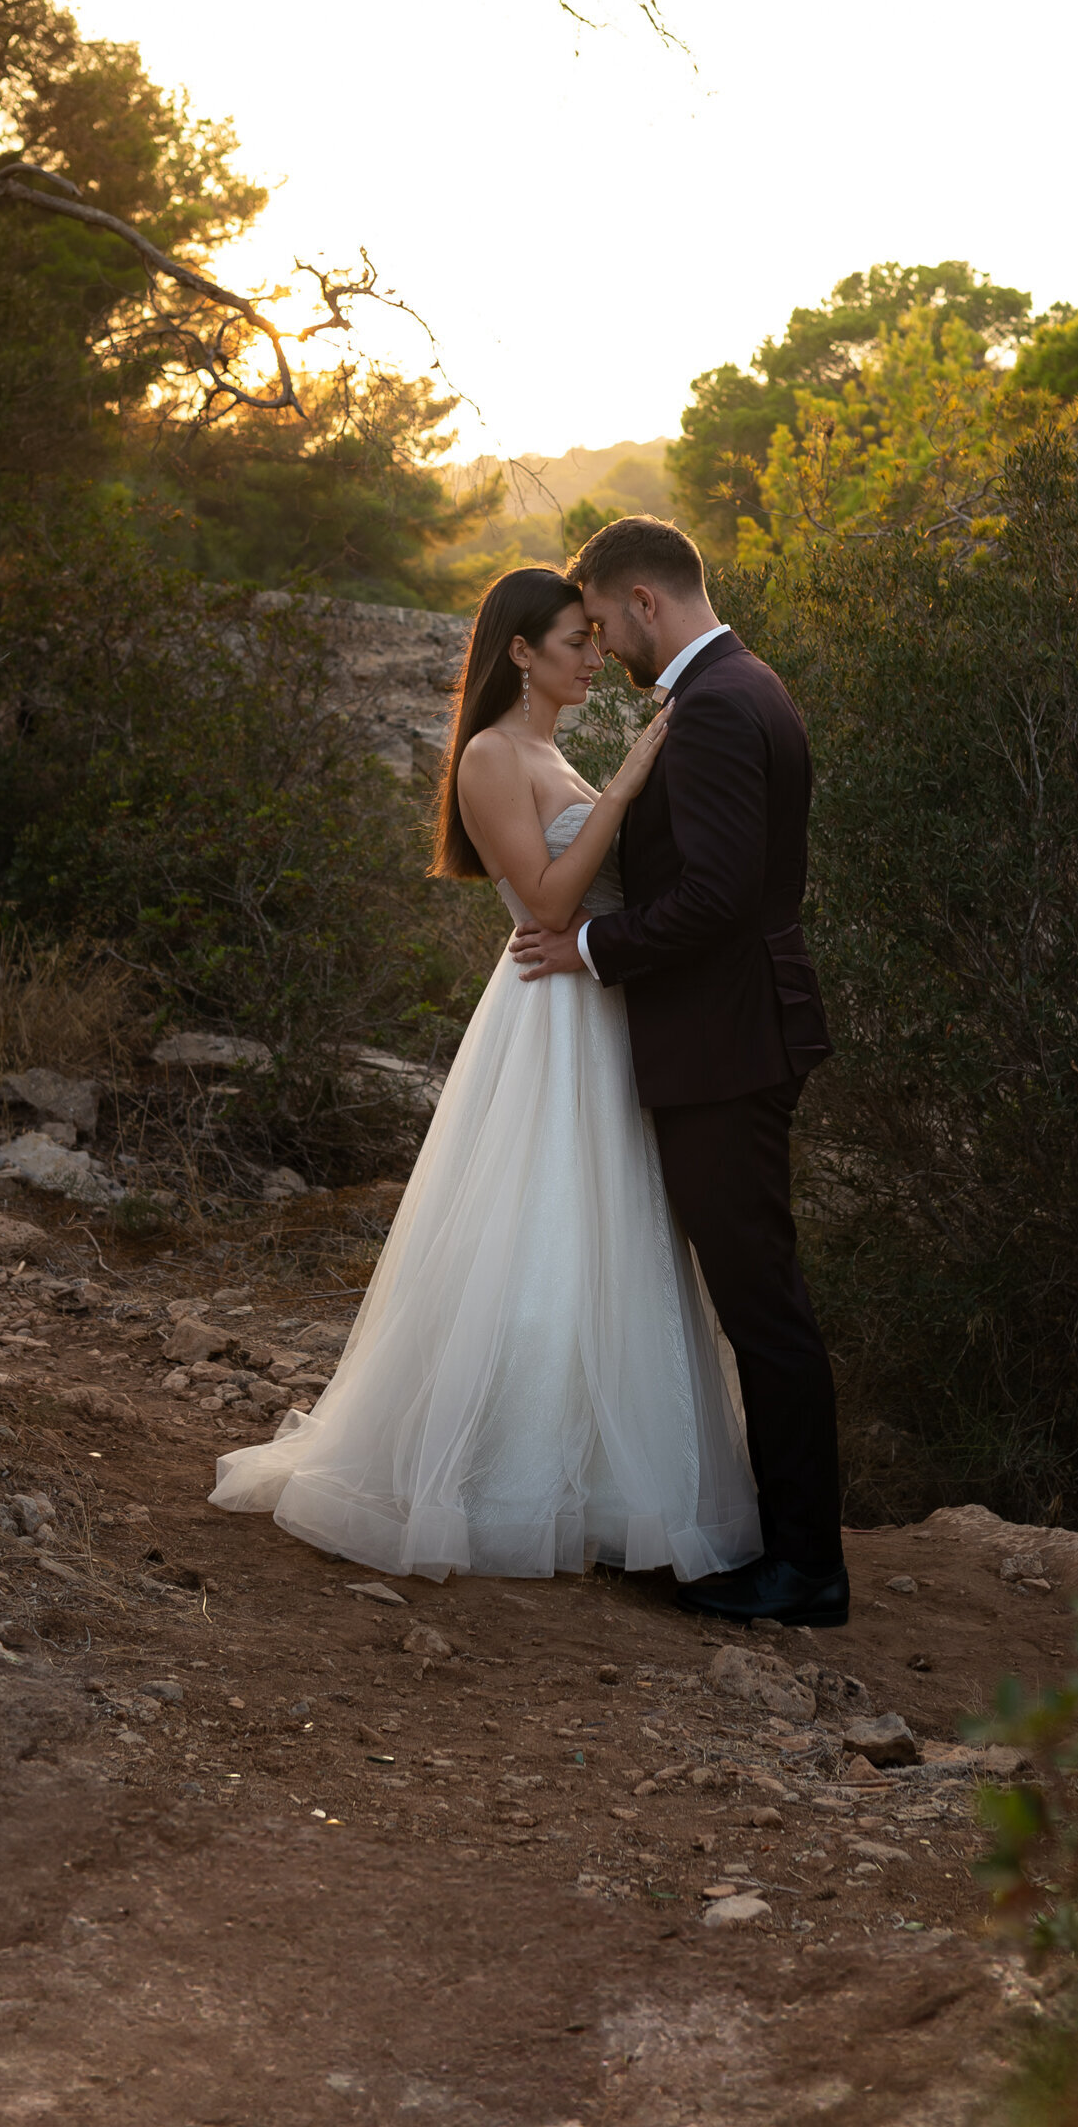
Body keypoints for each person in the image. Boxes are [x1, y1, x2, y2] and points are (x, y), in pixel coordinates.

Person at [207, 565, 762, 1583]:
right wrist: (634, 778)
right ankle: (502, 1480)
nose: (596, 657)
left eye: (598, 639)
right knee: (541, 1235)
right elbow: (548, 903)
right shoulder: (490, 756)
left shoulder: (548, 747)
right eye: (575, 641)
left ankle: (604, 1484)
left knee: (609, 1238)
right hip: (548, 1010)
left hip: (597, 1006)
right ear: (519, 650)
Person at [513, 514, 846, 1628]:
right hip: (740, 1025)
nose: (603, 645)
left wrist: (589, 947)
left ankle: (804, 1566)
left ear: (643, 600)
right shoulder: (747, 686)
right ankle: (778, 1540)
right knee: (756, 1294)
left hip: (725, 1037)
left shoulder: (710, 708)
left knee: (760, 1303)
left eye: (603, 622)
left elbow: (712, 896)